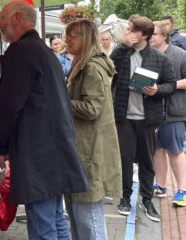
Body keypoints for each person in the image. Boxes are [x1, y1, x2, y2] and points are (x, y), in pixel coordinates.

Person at [0, 0, 88, 240]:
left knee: (44, 227)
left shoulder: (20, 51)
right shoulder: (43, 50)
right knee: (55, 221)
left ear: (16, 19)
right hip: (53, 148)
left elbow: (9, 104)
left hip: (38, 152)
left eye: (2, 18)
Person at [109, 14, 176, 222]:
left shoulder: (160, 58)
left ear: (144, 35)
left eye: (131, 30)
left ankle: (147, 200)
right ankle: (125, 198)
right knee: (125, 159)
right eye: (127, 30)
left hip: (148, 118)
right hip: (123, 116)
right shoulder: (121, 54)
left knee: (147, 160)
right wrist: (121, 45)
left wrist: (157, 89)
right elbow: (107, 67)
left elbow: (171, 85)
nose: (128, 33)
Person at [64, 20, 122, 239]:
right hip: (84, 146)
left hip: (89, 148)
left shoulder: (90, 67)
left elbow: (92, 108)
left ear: (85, 39)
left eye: (72, 36)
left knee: (87, 214)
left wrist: (61, 100)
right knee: (79, 214)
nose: (67, 40)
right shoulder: (82, 63)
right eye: (67, 35)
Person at [150, 21, 186, 207]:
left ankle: (182, 190)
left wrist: (172, 86)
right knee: (157, 150)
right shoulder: (144, 55)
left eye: (154, 34)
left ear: (165, 36)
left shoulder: (181, 55)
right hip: (151, 112)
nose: (150, 37)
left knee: (175, 151)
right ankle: (161, 186)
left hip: (173, 112)